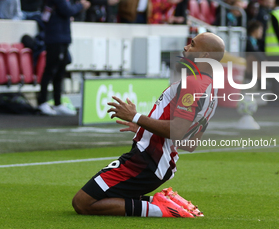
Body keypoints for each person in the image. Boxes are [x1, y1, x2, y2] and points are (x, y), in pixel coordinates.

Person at [72, 32, 225, 217]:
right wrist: (146, 130)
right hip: (156, 161)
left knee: (82, 203)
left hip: (148, 160)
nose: (186, 47)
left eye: (192, 45)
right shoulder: (211, 89)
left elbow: (177, 131)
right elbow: (189, 143)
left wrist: (136, 117)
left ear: (205, 55)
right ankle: (166, 202)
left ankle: (163, 209)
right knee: (94, 199)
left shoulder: (194, 83)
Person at [37, 0, 90, 115]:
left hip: (61, 36)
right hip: (56, 36)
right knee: (51, 69)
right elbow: (67, 10)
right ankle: (42, 101)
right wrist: (81, 5)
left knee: (59, 71)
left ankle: (57, 102)